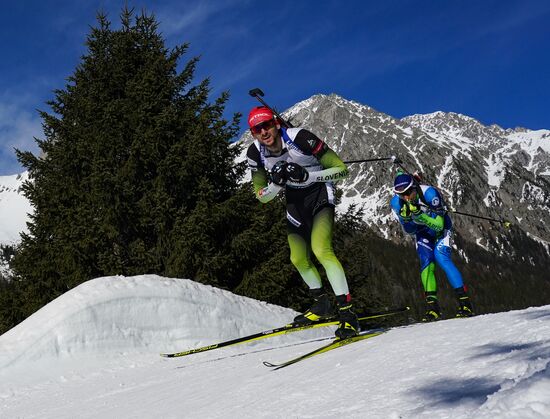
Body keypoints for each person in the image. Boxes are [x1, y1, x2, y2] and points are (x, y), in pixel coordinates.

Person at [246, 106, 359, 338]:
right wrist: (276, 185)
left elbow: (341, 170)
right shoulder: (255, 153)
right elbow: (261, 197)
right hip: (294, 201)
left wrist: (310, 176)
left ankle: (348, 315)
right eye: (258, 129)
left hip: (319, 193)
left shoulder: (299, 137)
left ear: (276, 124)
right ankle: (321, 305)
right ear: (253, 133)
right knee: (297, 257)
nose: (264, 131)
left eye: (267, 125)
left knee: (321, 249)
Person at [390, 171, 474, 321]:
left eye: (409, 192)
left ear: (414, 186)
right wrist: (406, 219)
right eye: (402, 195)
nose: (406, 197)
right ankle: (432, 309)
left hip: (442, 228)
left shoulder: (429, 194)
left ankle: (465, 304)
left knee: (441, 258)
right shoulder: (396, 203)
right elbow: (409, 231)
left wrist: (419, 216)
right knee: (426, 263)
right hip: (423, 231)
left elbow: (439, 226)